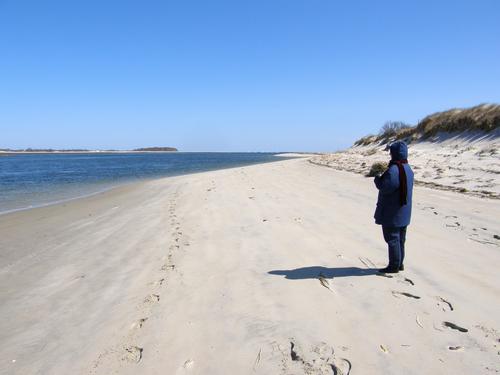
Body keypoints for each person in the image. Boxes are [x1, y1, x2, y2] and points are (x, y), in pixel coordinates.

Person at [374, 141, 414, 273]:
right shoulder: (408, 168)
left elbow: (385, 187)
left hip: (393, 211)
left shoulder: (393, 170)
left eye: (391, 152)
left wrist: (378, 179)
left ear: (394, 154)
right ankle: (399, 263)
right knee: (400, 239)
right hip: (404, 210)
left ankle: (394, 265)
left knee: (392, 238)